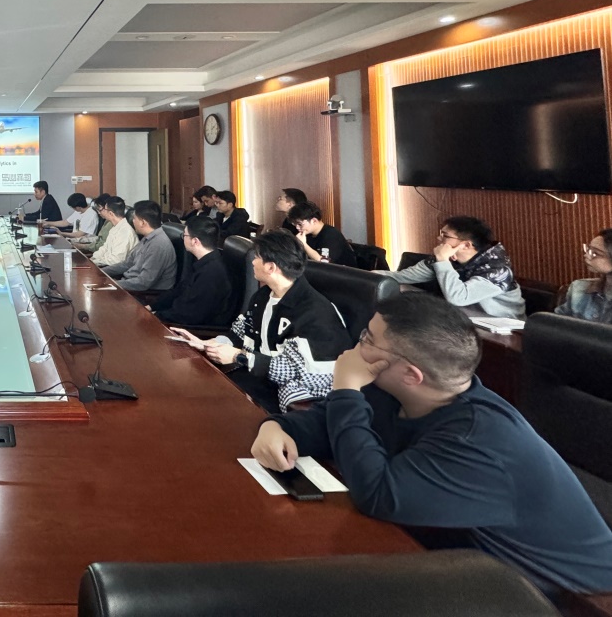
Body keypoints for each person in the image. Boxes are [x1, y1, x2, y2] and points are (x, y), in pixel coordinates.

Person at [250, 293, 612, 595]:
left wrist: (345, 388)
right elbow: (325, 423)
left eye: (368, 340)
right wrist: (277, 426)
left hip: (565, 596)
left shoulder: (477, 438)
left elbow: (378, 494)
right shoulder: (390, 389)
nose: (356, 348)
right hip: (467, 558)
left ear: (411, 374)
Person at [204, 230, 352, 411]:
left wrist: (238, 356)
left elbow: (292, 371)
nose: (252, 262)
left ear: (271, 267)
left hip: (297, 395)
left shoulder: (316, 313)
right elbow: (241, 331)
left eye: (257, 257)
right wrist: (212, 343)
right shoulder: (263, 296)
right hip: (262, 378)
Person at [382, 216, 523, 318]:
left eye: (445, 235)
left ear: (466, 245)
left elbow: (458, 297)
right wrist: (371, 274)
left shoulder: (497, 269)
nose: (439, 239)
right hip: (467, 322)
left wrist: (443, 261)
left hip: (506, 330)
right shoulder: (448, 258)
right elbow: (402, 277)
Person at [148, 215, 234, 327]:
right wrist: (151, 307)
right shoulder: (202, 262)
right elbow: (179, 291)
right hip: (174, 317)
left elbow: (190, 315)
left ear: (195, 241)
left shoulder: (212, 273)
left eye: (184, 235)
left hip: (191, 329)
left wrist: (156, 316)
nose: (183, 238)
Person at [98, 200, 177, 293]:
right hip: (128, 283)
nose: (133, 221)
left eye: (134, 218)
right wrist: (100, 271)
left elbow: (143, 282)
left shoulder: (158, 245)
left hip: (145, 293)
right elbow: (126, 264)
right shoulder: (147, 238)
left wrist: (113, 284)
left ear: (143, 222)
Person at [555, 228, 612, 323]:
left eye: (595, 253)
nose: (586, 255)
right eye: (588, 249)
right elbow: (555, 324)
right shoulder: (578, 288)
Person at [287, 201, 355, 266]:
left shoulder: (331, 235)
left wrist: (303, 244)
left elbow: (323, 263)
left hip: (344, 272)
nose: (297, 227)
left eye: (300, 224)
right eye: (295, 224)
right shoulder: (308, 234)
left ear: (314, 221)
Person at [90, 196, 137, 267]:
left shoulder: (125, 231)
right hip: (106, 264)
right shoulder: (114, 227)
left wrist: (96, 261)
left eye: (103, 209)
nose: (99, 213)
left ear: (111, 213)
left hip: (118, 269)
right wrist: (94, 258)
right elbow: (105, 248)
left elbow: (116, 260)